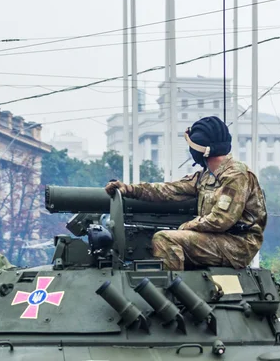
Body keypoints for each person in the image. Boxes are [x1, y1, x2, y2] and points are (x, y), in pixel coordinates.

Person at [105, 116, 267, 271]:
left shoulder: (235, 176)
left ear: (199, 151)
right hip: (219, 240)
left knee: (165, 239)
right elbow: (167, 190)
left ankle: (171, 294)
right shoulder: (206, 176)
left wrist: (187, 226)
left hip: (238, 245)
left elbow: (221, 220)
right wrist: (128, 189)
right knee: (174, 236)